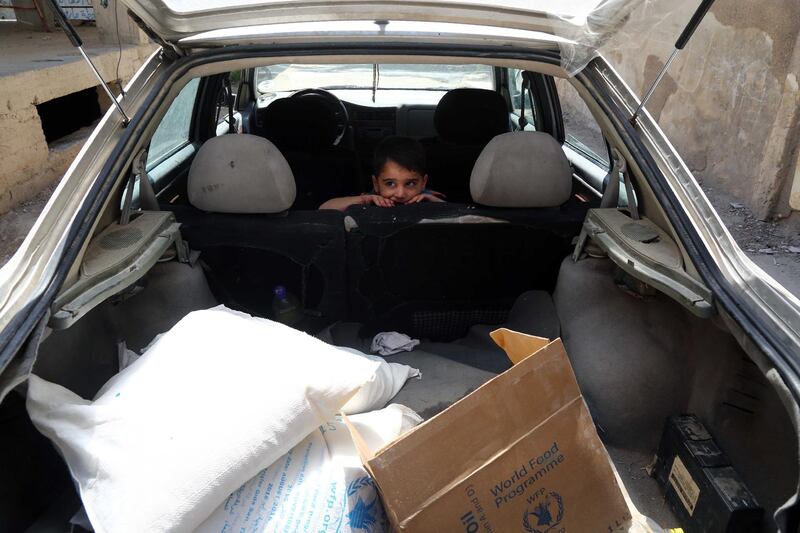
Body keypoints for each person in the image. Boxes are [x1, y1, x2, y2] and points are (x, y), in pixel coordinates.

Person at [319, 136, 444, 211]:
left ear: (423, 183)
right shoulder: (370, 199)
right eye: (390, 183)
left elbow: (460, 215)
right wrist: (364, 199)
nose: (400, 194)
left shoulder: (427, 199)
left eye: (410, 183)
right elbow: (324, 209)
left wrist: (434, 202)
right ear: (376, 183)